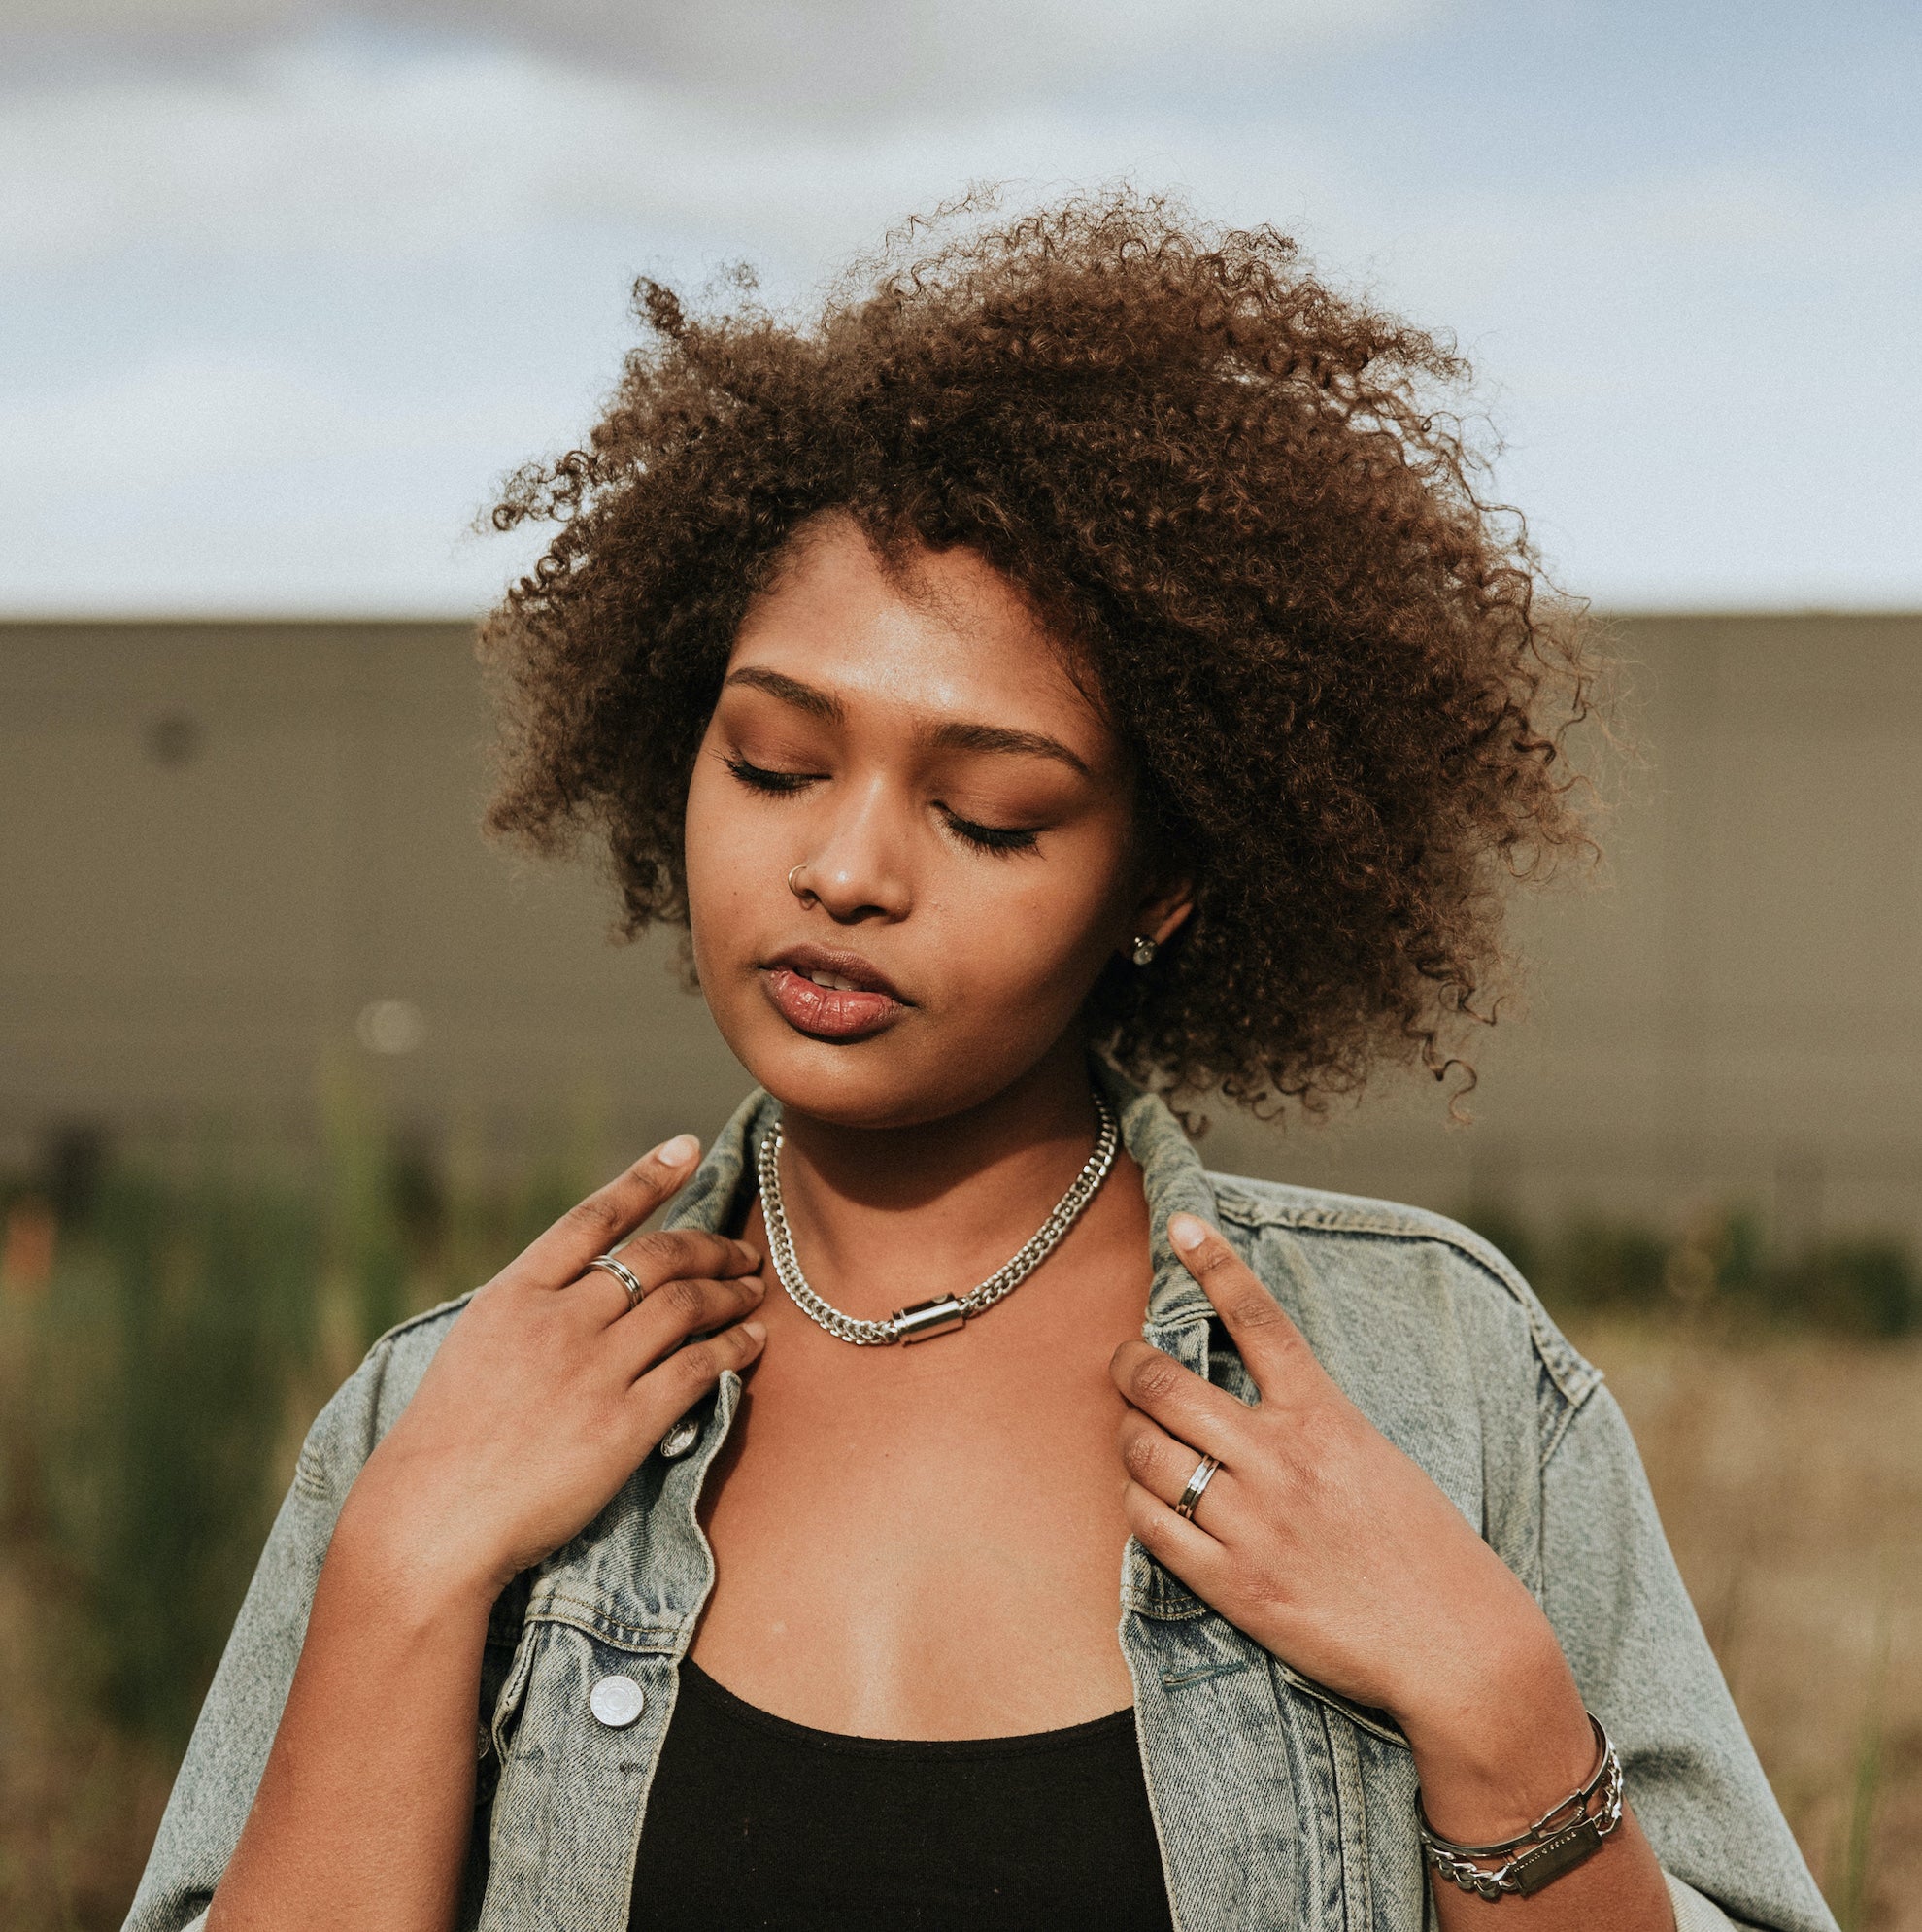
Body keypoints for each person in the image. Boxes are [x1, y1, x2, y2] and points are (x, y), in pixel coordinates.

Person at [127, 195, 1835, 1932]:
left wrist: (1497, 1702)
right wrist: (406, 1577)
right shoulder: (449, 1415)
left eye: (989, 813)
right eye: (777, 763)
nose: (849, 870)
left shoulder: (1438, 1381)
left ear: (1158, 878)